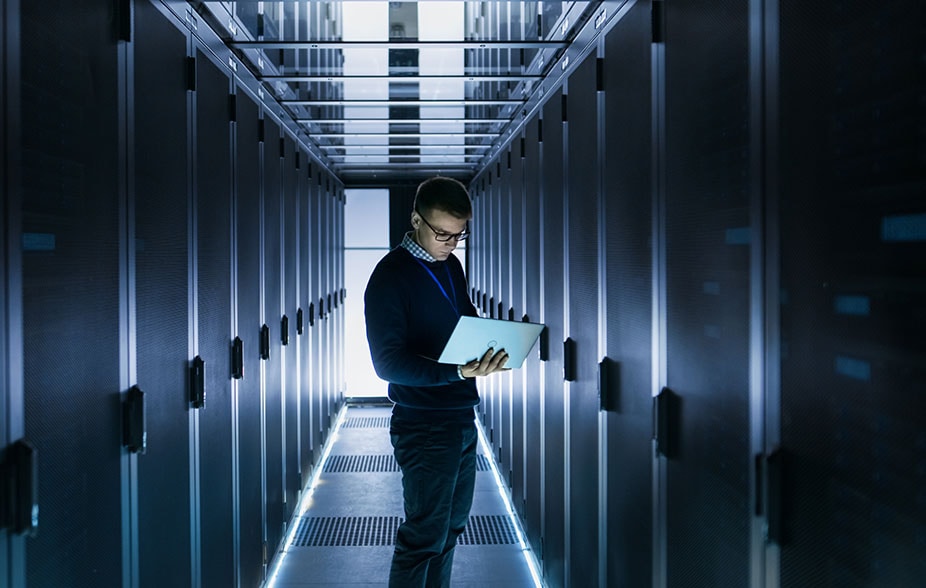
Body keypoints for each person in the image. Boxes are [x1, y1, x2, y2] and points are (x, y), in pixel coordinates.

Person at [364, 176, 509, 587]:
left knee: (449, 534)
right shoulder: (390, 277)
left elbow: (464, 318)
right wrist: (457, 372)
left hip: (461, 417)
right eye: (443, 233)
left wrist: (497, 342)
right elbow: (387, 363)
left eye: (459, 235)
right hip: (424, 424)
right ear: (416, 220)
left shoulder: (451, 266)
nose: (450, 244)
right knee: (423, 537)